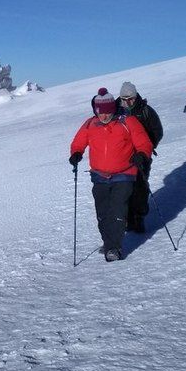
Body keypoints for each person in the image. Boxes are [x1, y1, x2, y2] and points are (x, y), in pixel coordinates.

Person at [69, 88, 153, 262]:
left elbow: (144, 143)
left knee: (117, 209)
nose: (104, 116)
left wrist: (141, 155)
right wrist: (76, 153)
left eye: (108, 112)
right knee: (102, 212)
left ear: (113, 109)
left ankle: (114, 248)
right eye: (100, 112)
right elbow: (78, 142)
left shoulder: (127, 121)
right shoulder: (90, 124)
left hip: (124, 174)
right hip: (99, 176)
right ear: (96, 111)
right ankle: (109, 241)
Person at [115, 82, 163, 233]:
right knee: (124, 189)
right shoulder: (114, 111)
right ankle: (128, 219)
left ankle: (139, 218)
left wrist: (146, 149)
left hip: (142, 157)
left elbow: (157, 131)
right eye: (124, 99)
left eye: (130, 99)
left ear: (135, 97)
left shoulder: (145, 111)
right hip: (122, 158)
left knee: (140, 188)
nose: (127, 102)